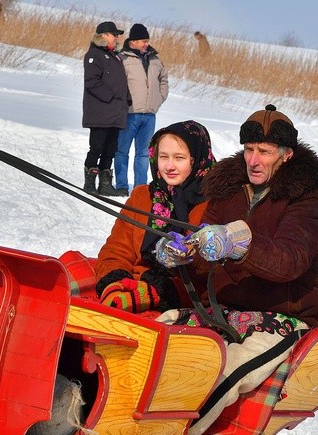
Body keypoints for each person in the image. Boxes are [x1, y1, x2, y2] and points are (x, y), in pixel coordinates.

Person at [154, 104, 318, 435]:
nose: (253, 160)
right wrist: (186, 251)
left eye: (264, 152)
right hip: (224, 308)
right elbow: (207, 247)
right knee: (153, 339)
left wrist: (240, 244)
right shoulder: (227, 187)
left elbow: (291, 259)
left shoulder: (308, 197)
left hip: (281, 315)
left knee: (222, 380)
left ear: (287, 154)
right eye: (249, 149)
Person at [94, 120, 216, 314]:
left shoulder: (213, 204)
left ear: (197, 159)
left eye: (179, 158)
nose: (169, 166)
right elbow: (117, 249)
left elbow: (207, 275)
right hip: (130, 284)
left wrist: (159, 292)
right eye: (163, 157)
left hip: (180, 298)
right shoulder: (142, 196)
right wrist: (114, 284)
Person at [114, 24, 169, 197]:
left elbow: (164, 80)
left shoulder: (155, 60)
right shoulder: (123, 59)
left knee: (144, 154)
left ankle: (140, 189)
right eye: (143, 41)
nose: (146, 44)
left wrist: (158, 99)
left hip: (149, 115)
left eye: (147, 41)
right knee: (122, 151)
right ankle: (122, 185)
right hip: (129, 113)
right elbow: (117, 83)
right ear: (134, 41)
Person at [82, 21, 129, 197]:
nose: (117, 38)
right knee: (96, 148)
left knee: (110, 150)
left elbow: (120, 84)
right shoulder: (94, 55)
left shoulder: (115, 57)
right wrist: (111, 97)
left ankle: (105, 185)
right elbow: (92, 82)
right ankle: (89, 184)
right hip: (100, 112)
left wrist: (127, 100)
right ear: (103, 36)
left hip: (116, 113)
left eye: (117, 35)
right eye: (114, 35)